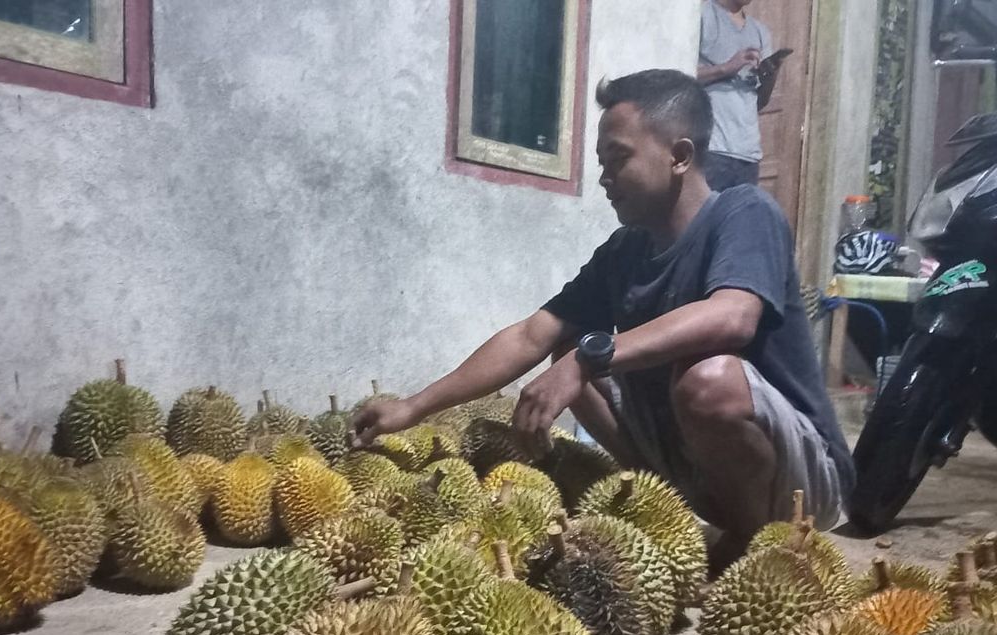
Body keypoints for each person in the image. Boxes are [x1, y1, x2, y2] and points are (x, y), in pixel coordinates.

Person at [352, 69, 853, 568]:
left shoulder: (745, 211)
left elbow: (733, 317)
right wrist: (413, 408)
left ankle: (746, 546)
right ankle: (660, 501)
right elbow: (532, 334)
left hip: (804, 483)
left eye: (619, 159)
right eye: (601, 163)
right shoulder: (624, 252)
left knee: (707, 380)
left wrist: (589, 360)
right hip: (695, 468)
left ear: (679, 156)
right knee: (562, 349)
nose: (606, 178)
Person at [697, 0, 785, 191]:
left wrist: (770, 77)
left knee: (740, 220)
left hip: (748, 155)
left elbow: (760, 102)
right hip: (710, 149)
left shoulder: (760, 31)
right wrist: (726, 68)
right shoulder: (702, 14)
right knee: (706, 219)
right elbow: (680, 76)